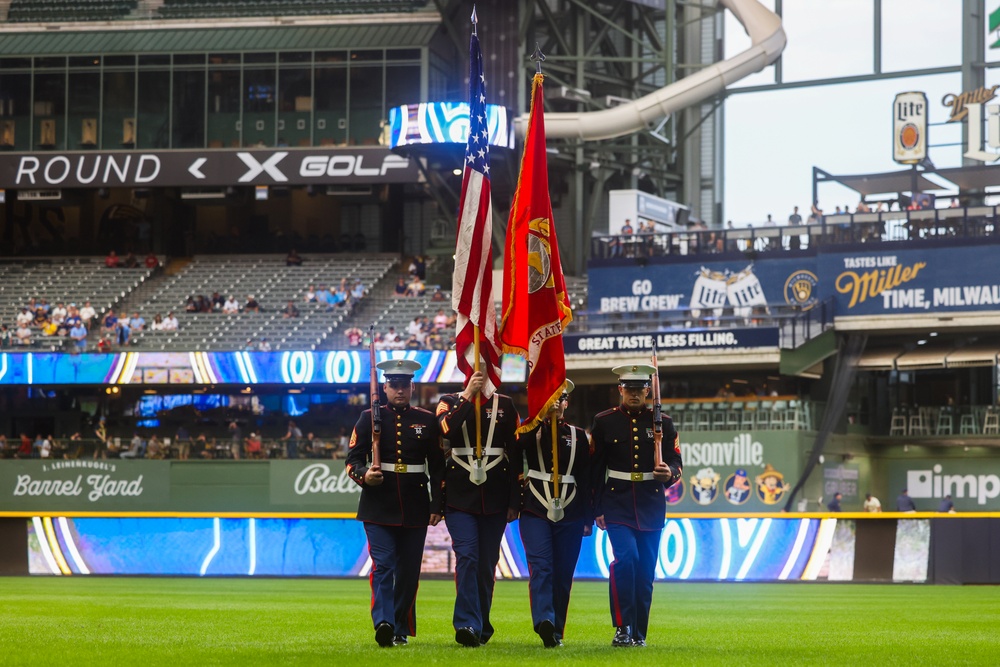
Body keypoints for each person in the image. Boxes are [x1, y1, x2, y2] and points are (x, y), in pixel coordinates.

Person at [346, 359, 445, 647]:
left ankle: (400, 627)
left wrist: (437, 505)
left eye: (405, 385)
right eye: (394, 385)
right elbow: (352, 460)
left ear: (412, 387)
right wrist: (365, 475)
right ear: (385, 387)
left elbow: (438, 466)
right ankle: (384, 622)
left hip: (415, 503)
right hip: (378, 504)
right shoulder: (367, 418)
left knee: (409, 572)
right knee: (384, 565)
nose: (400, 390)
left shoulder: (426, 419)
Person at [589, 363, 683, 648]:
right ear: (620, 390)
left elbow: (676, 462)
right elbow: (595, 468)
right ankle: (622, 627)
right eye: (627, 388)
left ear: (647, 391)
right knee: (626, 560)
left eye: (638, 389)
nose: (633, 394)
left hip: (651, 502)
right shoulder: (604, 421)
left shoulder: (663, 424)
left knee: (645, 574)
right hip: (616, 502)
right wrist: (596, 508)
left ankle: (639, 633)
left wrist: (670, 474)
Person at [436, 369, 520, 647]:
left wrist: (514, 501)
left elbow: (516, 453)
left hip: (495, 495)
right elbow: (445, 430)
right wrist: (468, 395)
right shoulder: (448, 400)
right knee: (468, 557)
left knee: (486, 565)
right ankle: (466, 624)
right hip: (459, 496)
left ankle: (481, 625)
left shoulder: (505, 405)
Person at [512, 380, 592, 648]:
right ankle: (544, 619)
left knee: (563, 572)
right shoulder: (530, 427)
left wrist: (588, 518)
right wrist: (539, 414)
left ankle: (556, 629)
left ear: (567, 403)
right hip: (535, 506)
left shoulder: (579, 435)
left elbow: (586, 477)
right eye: (551, 399)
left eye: (561, 400)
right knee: (542, 566)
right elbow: (516, 446)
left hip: (571, 510)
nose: (557, 404)